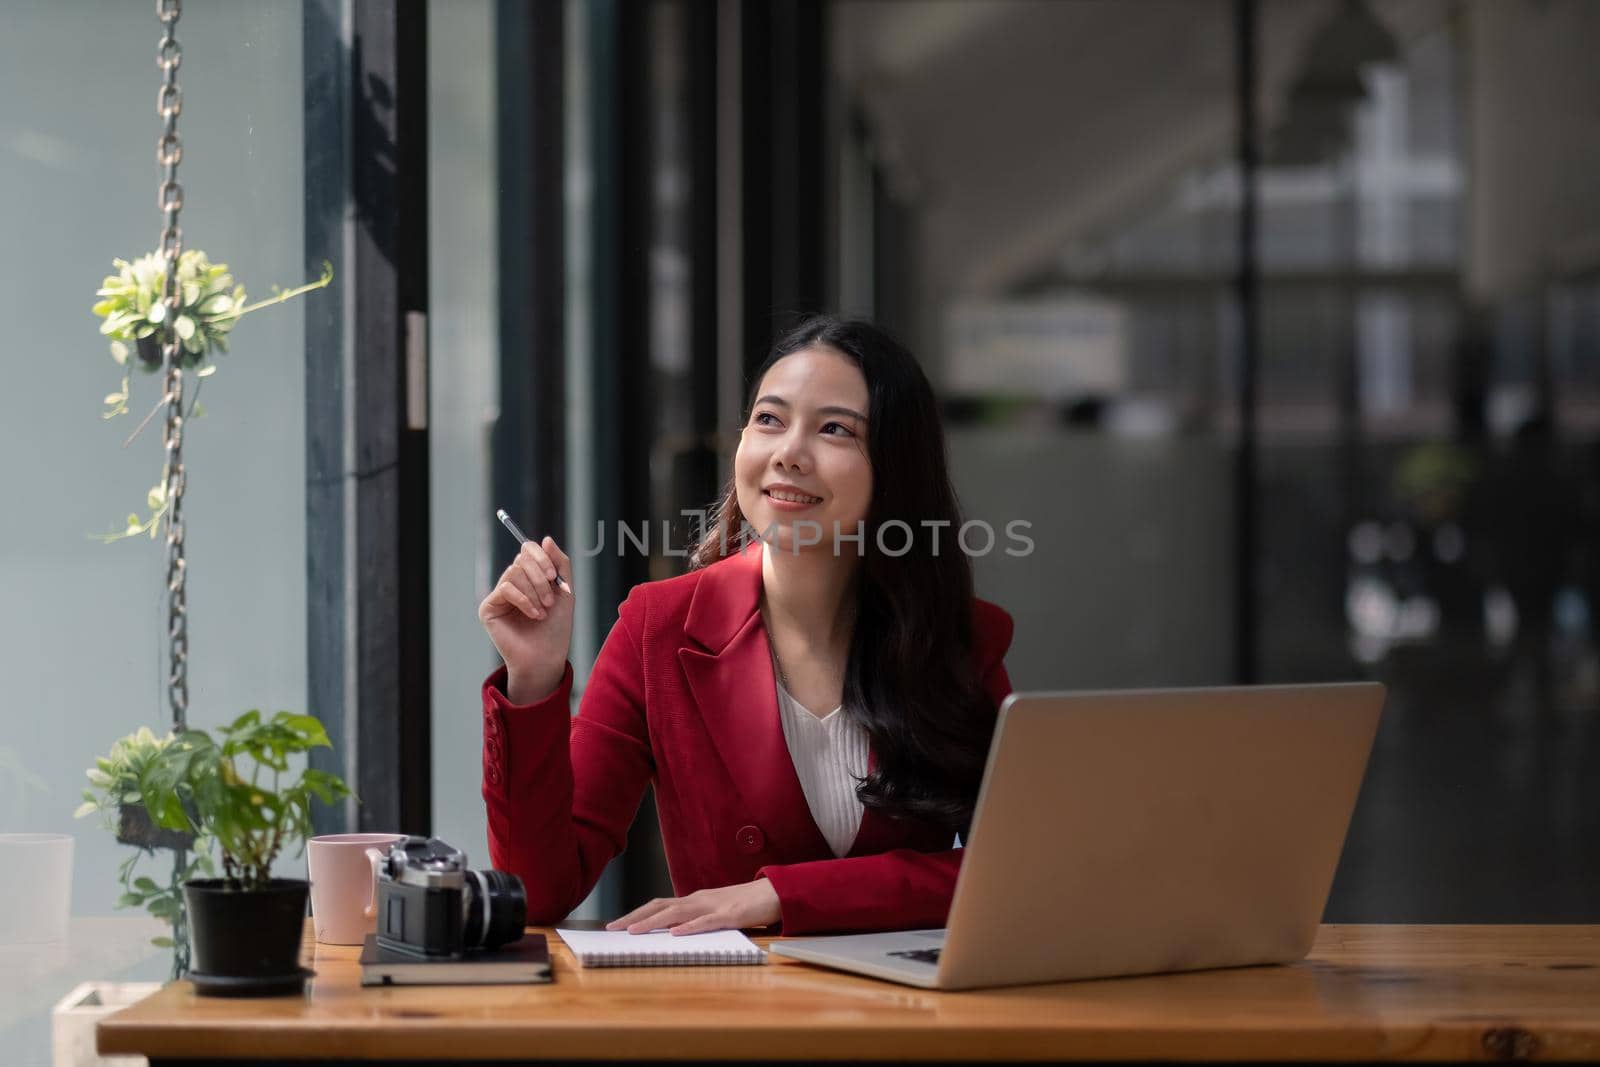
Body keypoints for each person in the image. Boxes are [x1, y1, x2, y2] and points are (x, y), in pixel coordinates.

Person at [477, 316, 1015, 936]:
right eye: (769, 419)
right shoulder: (659, 628)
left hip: (912, 1016)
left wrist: (782, 896)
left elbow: (1010, 869)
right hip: (735, 1015)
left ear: (897, 467)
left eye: (835, 429)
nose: (788, 452)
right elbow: (538, 892)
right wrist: (535, 678)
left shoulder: (955, 638)